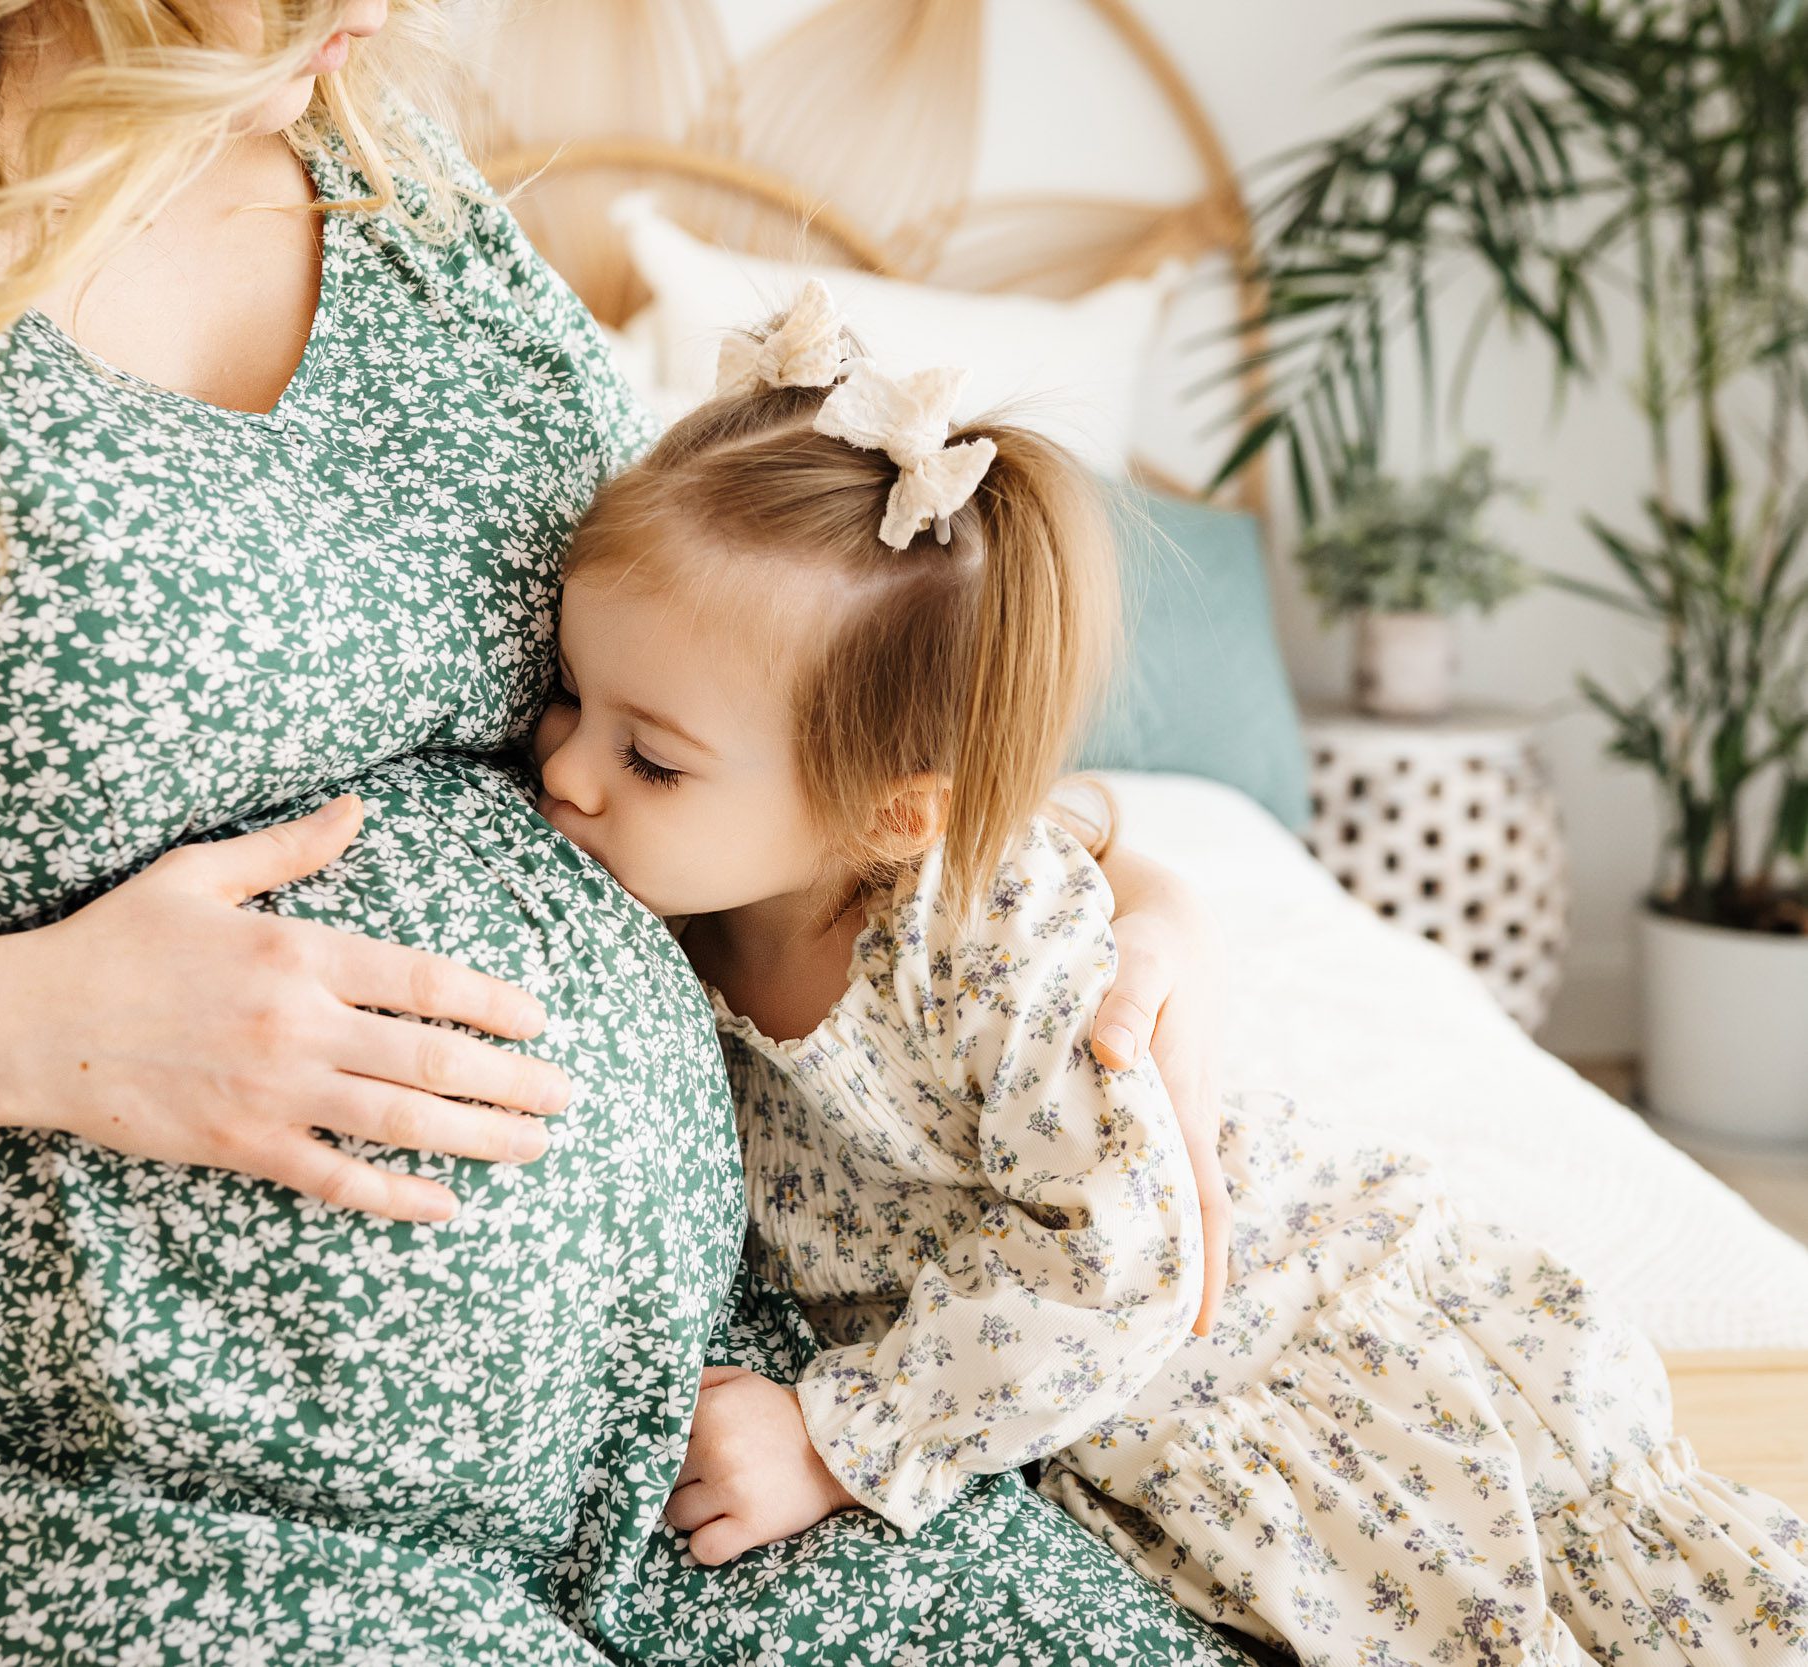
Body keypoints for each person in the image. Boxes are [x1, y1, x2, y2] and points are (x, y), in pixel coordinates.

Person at [0, 5, 1247, 1661]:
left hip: (678, 1434)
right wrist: (34, 1030)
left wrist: (1063, 872)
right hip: (63, 1487)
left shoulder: (369, 150)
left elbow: (719, 697)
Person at [533, 281, 1808, 1665]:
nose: (564, 771)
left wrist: (841, 1441)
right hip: (1064, 1374)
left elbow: (1127, 1254)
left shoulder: (976, 944)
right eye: (565, 696)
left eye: (648, 757)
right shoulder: (675, 889)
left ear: (896, 816)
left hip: (1267, 1338)